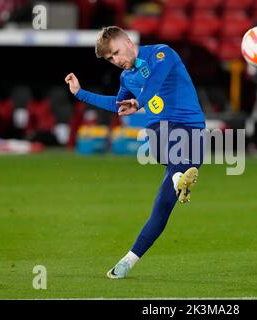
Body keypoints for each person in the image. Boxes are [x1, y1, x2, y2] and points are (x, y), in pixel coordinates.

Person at [64, 26, 206, 279]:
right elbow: (118, 106)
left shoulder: (162, 54)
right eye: (110, 59)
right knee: (163, 197)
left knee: (162, 192)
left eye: (116, 52)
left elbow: (154, 83)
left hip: (191, 131)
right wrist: (80, 93)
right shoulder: (126, 79)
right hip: (168, 141)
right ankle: (128, 260)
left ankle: (178, 178)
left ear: (129, 41)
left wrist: (139, 102)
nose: (116, 61)